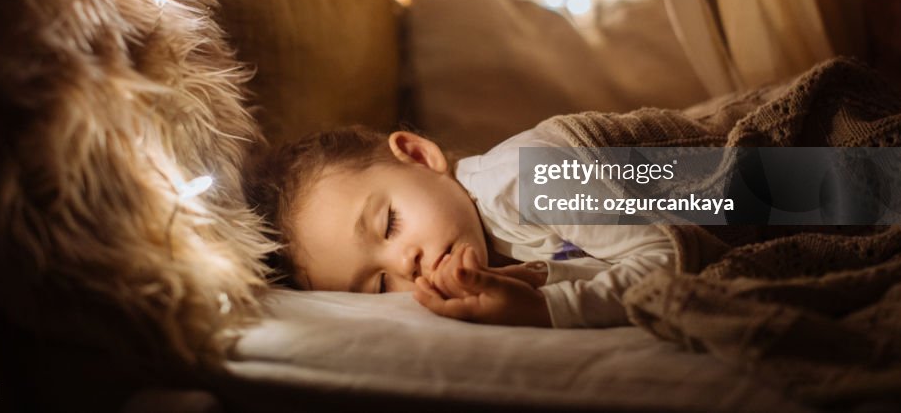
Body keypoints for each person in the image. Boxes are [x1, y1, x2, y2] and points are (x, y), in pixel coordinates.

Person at [247, 123, 675, 328]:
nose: (405, 264)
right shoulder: (487, 261)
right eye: (378, 286)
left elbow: (672, 259)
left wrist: (543, 308)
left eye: (390, 223)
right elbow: (608, 260)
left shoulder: (525, 178)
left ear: (418, 156)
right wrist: (538, 277)